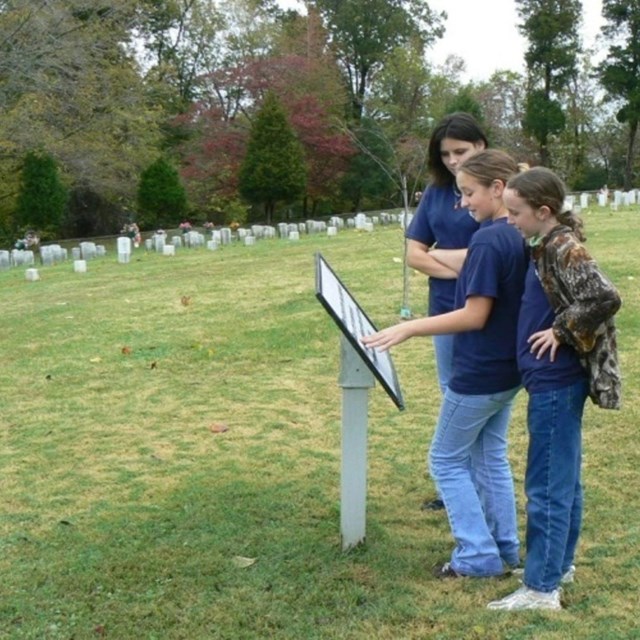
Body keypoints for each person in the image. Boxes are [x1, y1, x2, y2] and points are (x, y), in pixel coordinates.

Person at [363, 149, 528, 577]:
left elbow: (476, 315)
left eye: (469, 193)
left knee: (446, 460)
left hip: (479, 374)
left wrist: (409, 328)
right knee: (489, 455)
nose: (463, 202)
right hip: (508, 371)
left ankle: (477, 556)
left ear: (498, 189)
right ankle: (505, 548)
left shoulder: (489, 239)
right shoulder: (514, 232)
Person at [487, 167, 622, 610]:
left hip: (556, 382)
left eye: (516, 212)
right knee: (563, 481)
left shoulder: (563, 246)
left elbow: (605, 297)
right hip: (548, 380)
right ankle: (558, 566)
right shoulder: (544, 242)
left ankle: (541, 588)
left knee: (546, 485)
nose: (509, 220)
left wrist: (562, 331)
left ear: (543, 212)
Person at [406, 112, 489, 511]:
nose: (453, 161)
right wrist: (468, 263)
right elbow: (414, 255)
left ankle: (470, 482)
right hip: (443, 310)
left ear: (481, 147)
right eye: (446, 154)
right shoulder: (437, 192)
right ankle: (457, 481)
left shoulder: (496, 191)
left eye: (461, 151)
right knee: (450, 394)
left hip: (488, 309)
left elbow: (503, 250)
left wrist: (447, 258)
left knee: (479, 400)